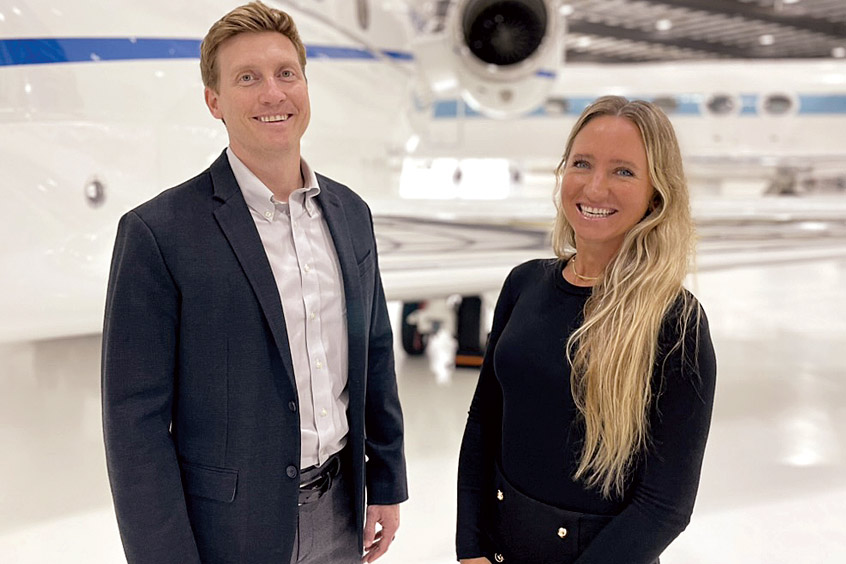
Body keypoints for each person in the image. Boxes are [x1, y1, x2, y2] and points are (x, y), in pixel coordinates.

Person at [101, 3, 407, 563]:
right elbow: (134, 425)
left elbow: (374, 354)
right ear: (214, 101)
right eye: (248, 78)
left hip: (341, 510)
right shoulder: (158, 233)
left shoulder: (350, 214)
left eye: (286, 73)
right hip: (228, 528)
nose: (273, 93)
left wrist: (385, 482)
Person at [456, 96, 717, 564]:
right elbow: (483, 424)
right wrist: (471, 546)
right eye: (582, 164)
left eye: (623, 171)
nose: (595, 188)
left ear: (656, 193)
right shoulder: (524, 283)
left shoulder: (675, 322)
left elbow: (665, 507)